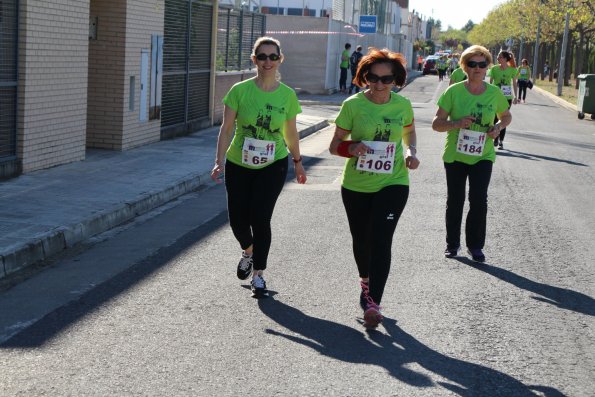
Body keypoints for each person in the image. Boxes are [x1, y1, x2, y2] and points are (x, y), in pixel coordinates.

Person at [329, 48, 420, 328]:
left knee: (382, 240)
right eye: (373, 78)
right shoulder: (353, 105)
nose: (379, 84)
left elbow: (409, 132)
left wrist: (410, 151)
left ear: (396, 80)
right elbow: (334, 146)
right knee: (362, 241)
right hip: (356, 185)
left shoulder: (402, 105)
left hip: (393, 182)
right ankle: (365, 280)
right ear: (364, 77)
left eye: (386, 79)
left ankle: (372, 303)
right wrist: (352, 147)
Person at [211, 36, 307, 299]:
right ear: (254, 60)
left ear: (280, 59)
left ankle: (259, 276)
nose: (267, 61)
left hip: (273, 164)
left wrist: (298, 163)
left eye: (272, 56)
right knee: (237, 220)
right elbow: (227, 128)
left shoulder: (287, 95)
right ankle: (249, 252)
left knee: (261, 219)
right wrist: (218, 161)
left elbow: (291, 132)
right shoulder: (239, 90)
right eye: (262, 56)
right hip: (239, 164)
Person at [431, 45, 512, 263]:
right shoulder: (454, 91)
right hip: (455, 155)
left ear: (488, 67)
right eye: (472, 64)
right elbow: (436, 124)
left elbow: (506, 116)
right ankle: (452, 244)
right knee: (455, 200)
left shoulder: (494, 93)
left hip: (483, 155)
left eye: (482, 64)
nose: (477, 68)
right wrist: (456, 123)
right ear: (464, 66)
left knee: (479, 200)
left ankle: (475, 246)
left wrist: (497, 127)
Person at [488, 50, 517, 149]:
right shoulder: (494, 69)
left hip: (507, 98)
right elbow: (490, 84)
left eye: (500, 56)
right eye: (498, 56)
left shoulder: (512, 70)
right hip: (496, 97)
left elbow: (514, 83)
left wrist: (516, 96)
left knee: (504, 118)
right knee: (495, 118)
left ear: (505, 59)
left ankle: (501, 141)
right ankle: (496, 138)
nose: (497, 58)